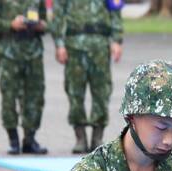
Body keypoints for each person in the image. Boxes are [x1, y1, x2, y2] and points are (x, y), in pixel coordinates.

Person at [52, 0, 123, 153]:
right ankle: (80, 137)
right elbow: (58, 14)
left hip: (100, 46)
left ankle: (98, 136)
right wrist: (59, 44)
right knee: (74, 91)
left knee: (102, 92)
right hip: (74, 46)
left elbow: (115, 9)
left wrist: (117, 40)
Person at [0, 0, 48, 155]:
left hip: (34, 53)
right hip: (9, 52)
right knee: (9, 96)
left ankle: (30, 140)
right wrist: (10, 24)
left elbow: (46, 21)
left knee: (35, 97)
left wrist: (41, 26)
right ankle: (13, 140)